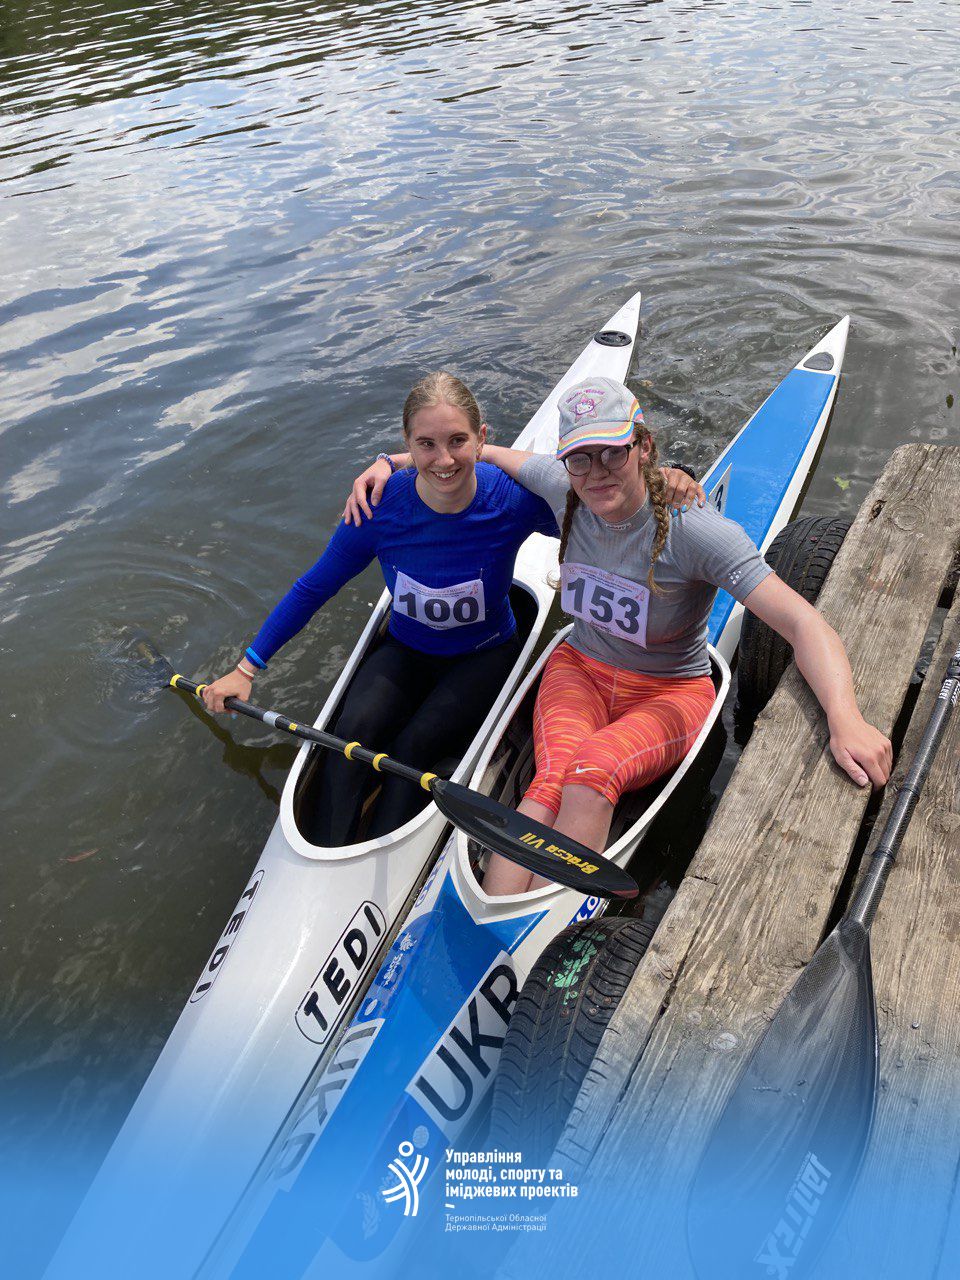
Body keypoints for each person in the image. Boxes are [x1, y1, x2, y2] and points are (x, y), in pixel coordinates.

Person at [346, 376, 892, 895]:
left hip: (669, 690)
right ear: (566, 462)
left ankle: (545, 919)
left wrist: (845, 717)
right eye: (581, 458)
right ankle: (494, 920)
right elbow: (481, 454)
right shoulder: (564, 487)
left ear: (643, 446)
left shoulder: (697, 532)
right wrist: (389, 463)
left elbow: (803, 623)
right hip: (579, 670)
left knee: (594, 769)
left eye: (613, 452)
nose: (597, 473)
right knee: (550, 779)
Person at [202, 372, 703, 846]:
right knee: (353, 732)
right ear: (408, 444)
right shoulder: (378, 507)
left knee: (415, 746)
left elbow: (607, 511)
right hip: (405, 650)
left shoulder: (512, 501)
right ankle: (330, 853)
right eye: (426, 445)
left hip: (486, 654)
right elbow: (314, 587)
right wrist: (246, 670)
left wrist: (670, 478)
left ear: (481, 439)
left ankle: (379, 848)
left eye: (458, 441)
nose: (444, 460)